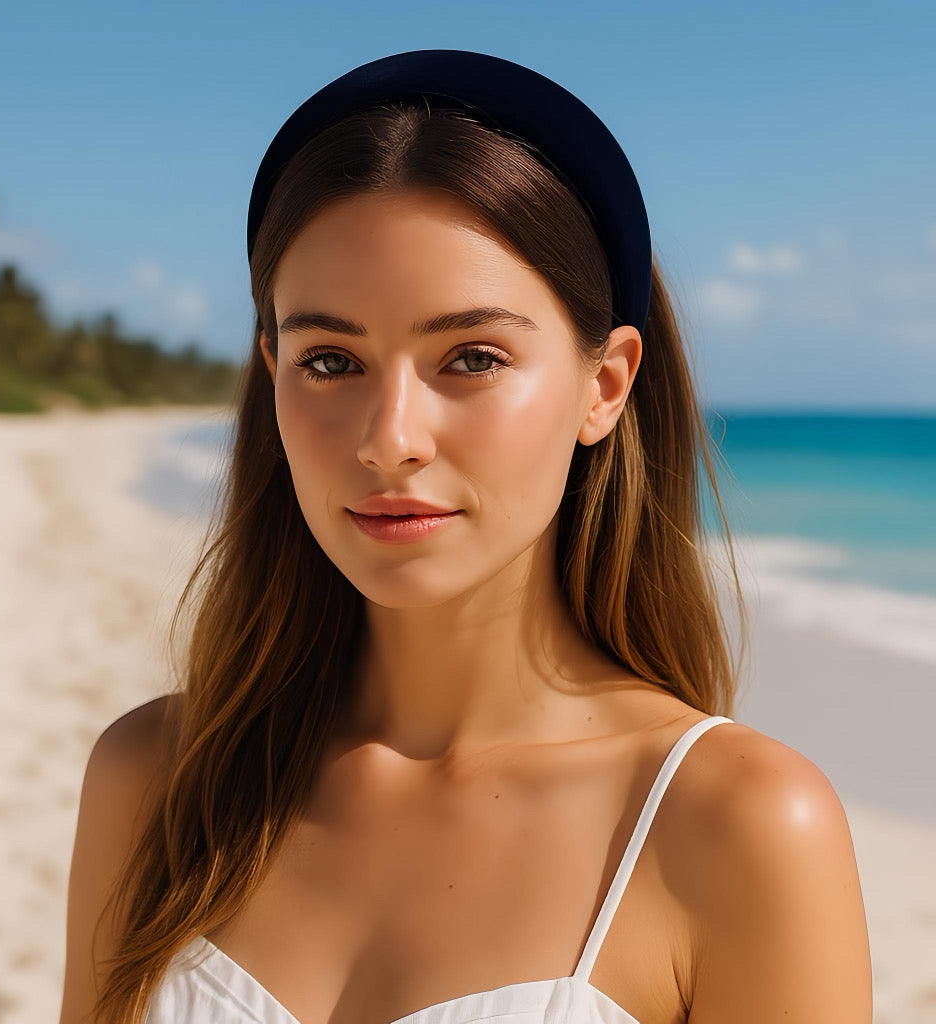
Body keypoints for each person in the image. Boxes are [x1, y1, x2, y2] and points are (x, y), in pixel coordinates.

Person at [59, 50, 872, 1024]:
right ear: (270, 370)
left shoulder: (734, 828)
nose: (388, 438)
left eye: (471, 358)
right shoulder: (155, 780)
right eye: (329, 360)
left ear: (603, 384)